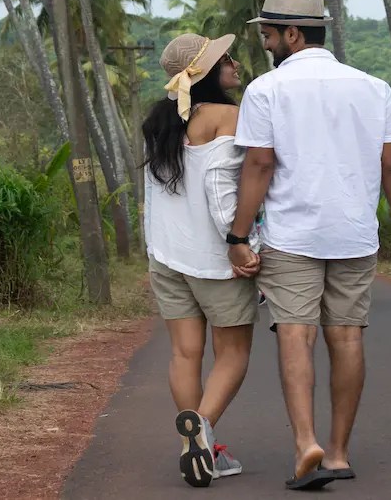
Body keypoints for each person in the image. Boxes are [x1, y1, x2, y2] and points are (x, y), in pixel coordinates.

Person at [225, 0, 391, 491]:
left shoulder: (266, 90)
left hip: (293, 235)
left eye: (269, 35)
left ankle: (304, 442)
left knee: (296, 334)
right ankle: (337, 453)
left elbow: (260, 164)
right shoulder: (373, 88)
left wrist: (238, 234)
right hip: (354, 235)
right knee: (348, 336)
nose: (267, 43)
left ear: (293, 34)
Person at [142, 32, 260, 488]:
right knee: (233, 354)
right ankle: (203, 430)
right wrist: (240, 241)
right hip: (215, 259)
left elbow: (156, 195)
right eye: (225, 58)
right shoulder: (229, 115)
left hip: (167, 256)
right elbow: (220, 189)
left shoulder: (161, 120)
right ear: (208, 71)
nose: (233, 62)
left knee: (184, 353)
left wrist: (154, 246)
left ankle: (195, 441)